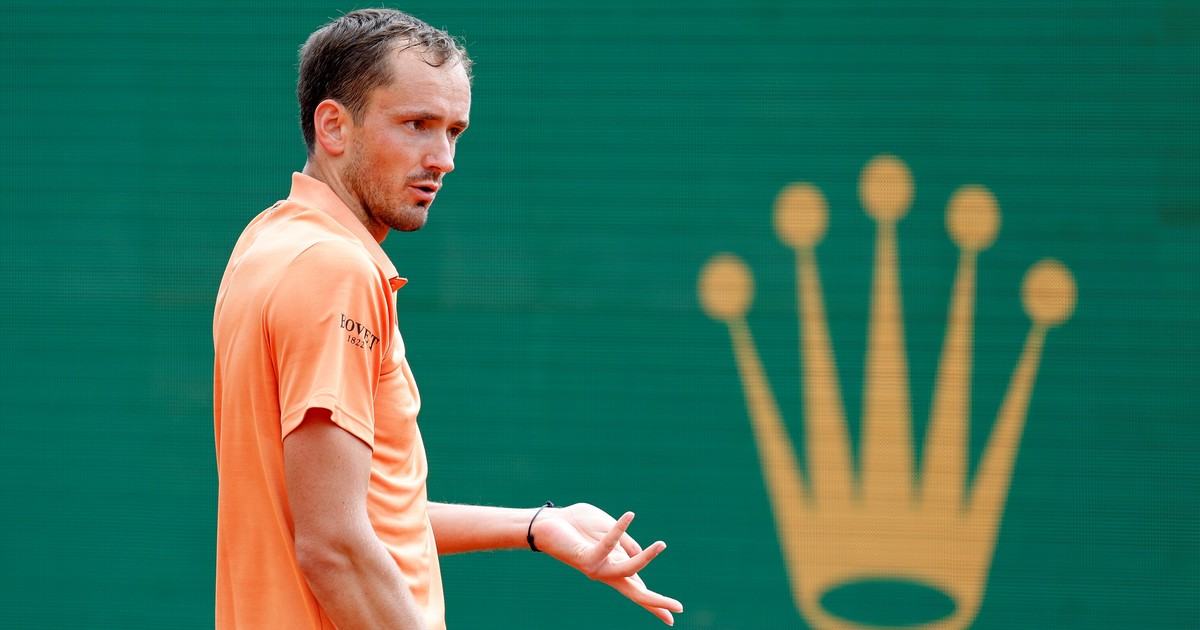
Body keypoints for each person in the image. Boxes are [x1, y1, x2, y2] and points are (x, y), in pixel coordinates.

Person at [212, 8, 683, 629]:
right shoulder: (335, 269)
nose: (444, 158)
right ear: (334, 126)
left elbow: (362, 517)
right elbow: (334, 548)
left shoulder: (270, 243)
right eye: (417, 125)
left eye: (454, 131)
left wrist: (536, 526)